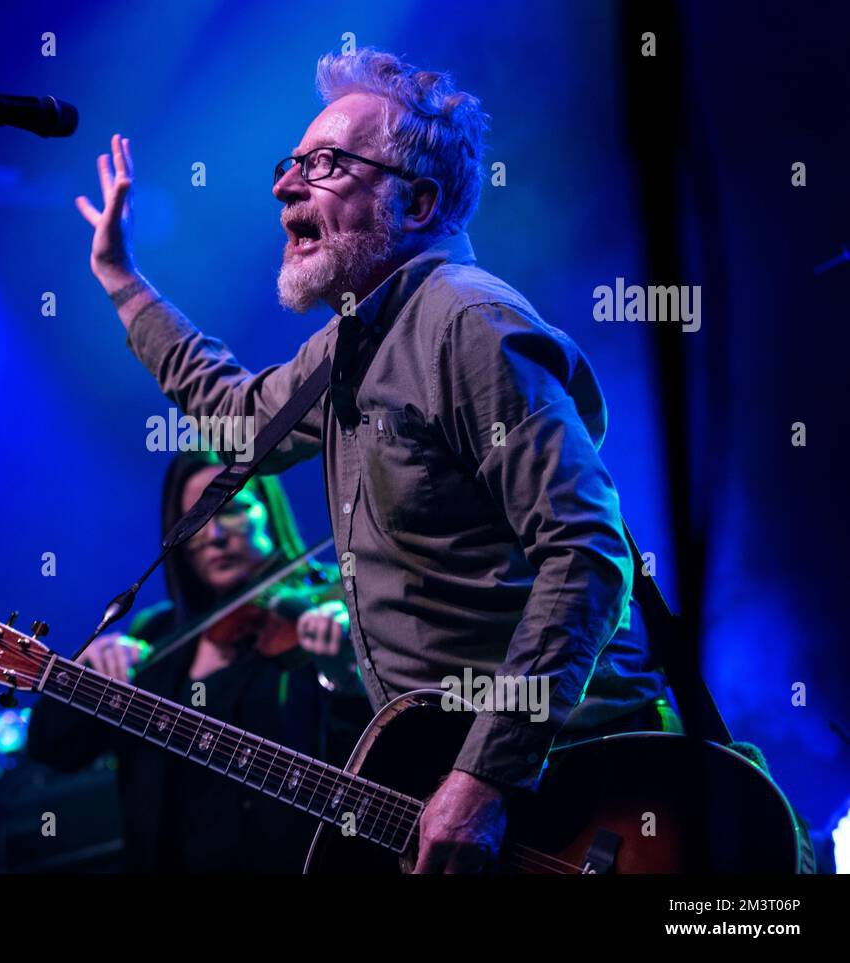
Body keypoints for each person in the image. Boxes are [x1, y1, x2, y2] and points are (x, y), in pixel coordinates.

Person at [73, 47, 673, 873]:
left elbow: (587, 551)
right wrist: (122, 281)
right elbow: (238, 417)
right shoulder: (351, 345)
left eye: (324, 165)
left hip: (578, 806)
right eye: (291, 165)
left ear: (418, 200)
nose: (286, 186)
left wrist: (486, 772)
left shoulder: (467, 323)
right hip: (471, 788)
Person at [26, 450, 372, 872]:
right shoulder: (155, 638)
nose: (213, 535)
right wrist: (84, 674)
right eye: (195, 518)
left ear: (269, 510)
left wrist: (344, 677)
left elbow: (373, 763)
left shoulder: (332, 605)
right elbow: (52, 749)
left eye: (232, 509)